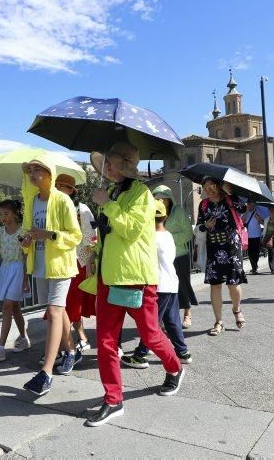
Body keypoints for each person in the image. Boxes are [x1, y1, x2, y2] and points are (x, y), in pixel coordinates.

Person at [84, 141, 183, 428]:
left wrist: (108, 205)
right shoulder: (114, 192)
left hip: (135, 278)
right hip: (108, 276)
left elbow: (131, 230)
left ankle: (175, 368)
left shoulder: (142, 194)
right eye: (106, 164)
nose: (107, 168)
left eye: (111, 164)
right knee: (104, 341)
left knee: (150, 335)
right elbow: (113, 233)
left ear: (124, 166)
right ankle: (113, 399)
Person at [20, 155, 82, 397]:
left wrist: (51, 234)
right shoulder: (31, 200)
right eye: (31, 170)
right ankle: (72, 349)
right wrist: (25, 241)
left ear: (49, 173)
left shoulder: (63, 200)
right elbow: (27, 234)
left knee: (54, 312)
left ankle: (46, 372)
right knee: (58, 310)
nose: (33, 174)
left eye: (38, 169)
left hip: (60, 265)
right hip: (40, 265)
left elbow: (75, 236)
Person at [121, 199, 192, 368]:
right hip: (171, 284)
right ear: (165, 217)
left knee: (151, 324)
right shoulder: (168, 235)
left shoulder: (150, 238)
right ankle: (182, 352)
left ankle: (140, 355)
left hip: (158, 286)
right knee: (172, 320)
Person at [0, 199, 31, 363]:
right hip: (5, 270)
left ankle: (1, 349)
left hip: (17, 270)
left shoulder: (22, 231)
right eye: (1, 214)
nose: (2, 217)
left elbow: (25, 256)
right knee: (15, 308)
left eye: (6, 214)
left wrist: (25, 279)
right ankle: (24, 338)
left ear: (15, 214)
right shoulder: (1, 232)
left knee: (7, 306)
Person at [197, 176, 247, 336]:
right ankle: (218, 321)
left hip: (232, 247)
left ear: (218, 185)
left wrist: (230, 193)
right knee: (215, 285)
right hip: (213, 247)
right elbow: (199, 225)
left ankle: (236, 309)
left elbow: (243, 209)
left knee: (233, 284)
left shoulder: (230, 200)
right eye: (205, 187)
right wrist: (205, 225)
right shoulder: (203, 205)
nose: (208, 189)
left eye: (211, 185)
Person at [55, 173, 97, 351]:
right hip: (60, 261)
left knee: (71, 303)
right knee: (67, 303)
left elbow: (90, 238)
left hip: (78, 262)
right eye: (56, 185)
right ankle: (80, 337)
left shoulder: (82, 208)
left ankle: (65, 346)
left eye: (62, 186)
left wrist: (88, 265)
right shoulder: (54, 208)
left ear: (71, 190)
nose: (57, 189)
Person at [152, 185, 197, 328]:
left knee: (183, 285)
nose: (159, 202)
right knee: (164, 288)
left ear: (169, 199)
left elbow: (188, 233)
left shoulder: (178, 211)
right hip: (160, 257)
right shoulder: (153, 213)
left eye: (162, 199)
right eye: (156, 199)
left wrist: (168, 238)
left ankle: (187, 314)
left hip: (179, 255)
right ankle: (167, 318)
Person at [244, 200, 270, 275]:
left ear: (254, 205)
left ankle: (254, 267)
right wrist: (246, 211)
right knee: (250, 253)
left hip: (257, 235)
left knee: (256, 252)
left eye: (251, 204)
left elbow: (264, 223)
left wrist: (259, 219)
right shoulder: (246, 213)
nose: (250, 206)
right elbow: (242, 221)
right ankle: (254, 266)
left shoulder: (258, 212)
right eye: (249, 204)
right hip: (248, 236)